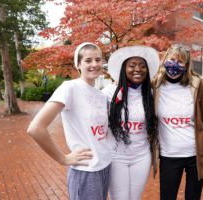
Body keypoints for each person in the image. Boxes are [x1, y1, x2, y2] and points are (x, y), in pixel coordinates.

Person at [27, 42, 111, 200]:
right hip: (86, 171)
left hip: (105, 166)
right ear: (78, 64)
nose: (94, 64)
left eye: (98, 60)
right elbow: (36, 128)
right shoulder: (70, 88)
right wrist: (63, 158)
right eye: (88, 60)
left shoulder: (101, 95)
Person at [151, 44, 203, 200]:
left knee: (193, 197)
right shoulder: (155, 85)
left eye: (181, 62)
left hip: (196, 155)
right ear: (164, 60)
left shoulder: (196, 84)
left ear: (187, 65)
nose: (175, 64)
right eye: (172, 59)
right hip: (169, 155)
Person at [102, 46, 159, 200]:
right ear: (124, 68)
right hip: (115, 156)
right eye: (132, 65)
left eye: (142, 65)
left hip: (141, 156)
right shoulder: (109, 92)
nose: (137, 69)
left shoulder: (151, 93)